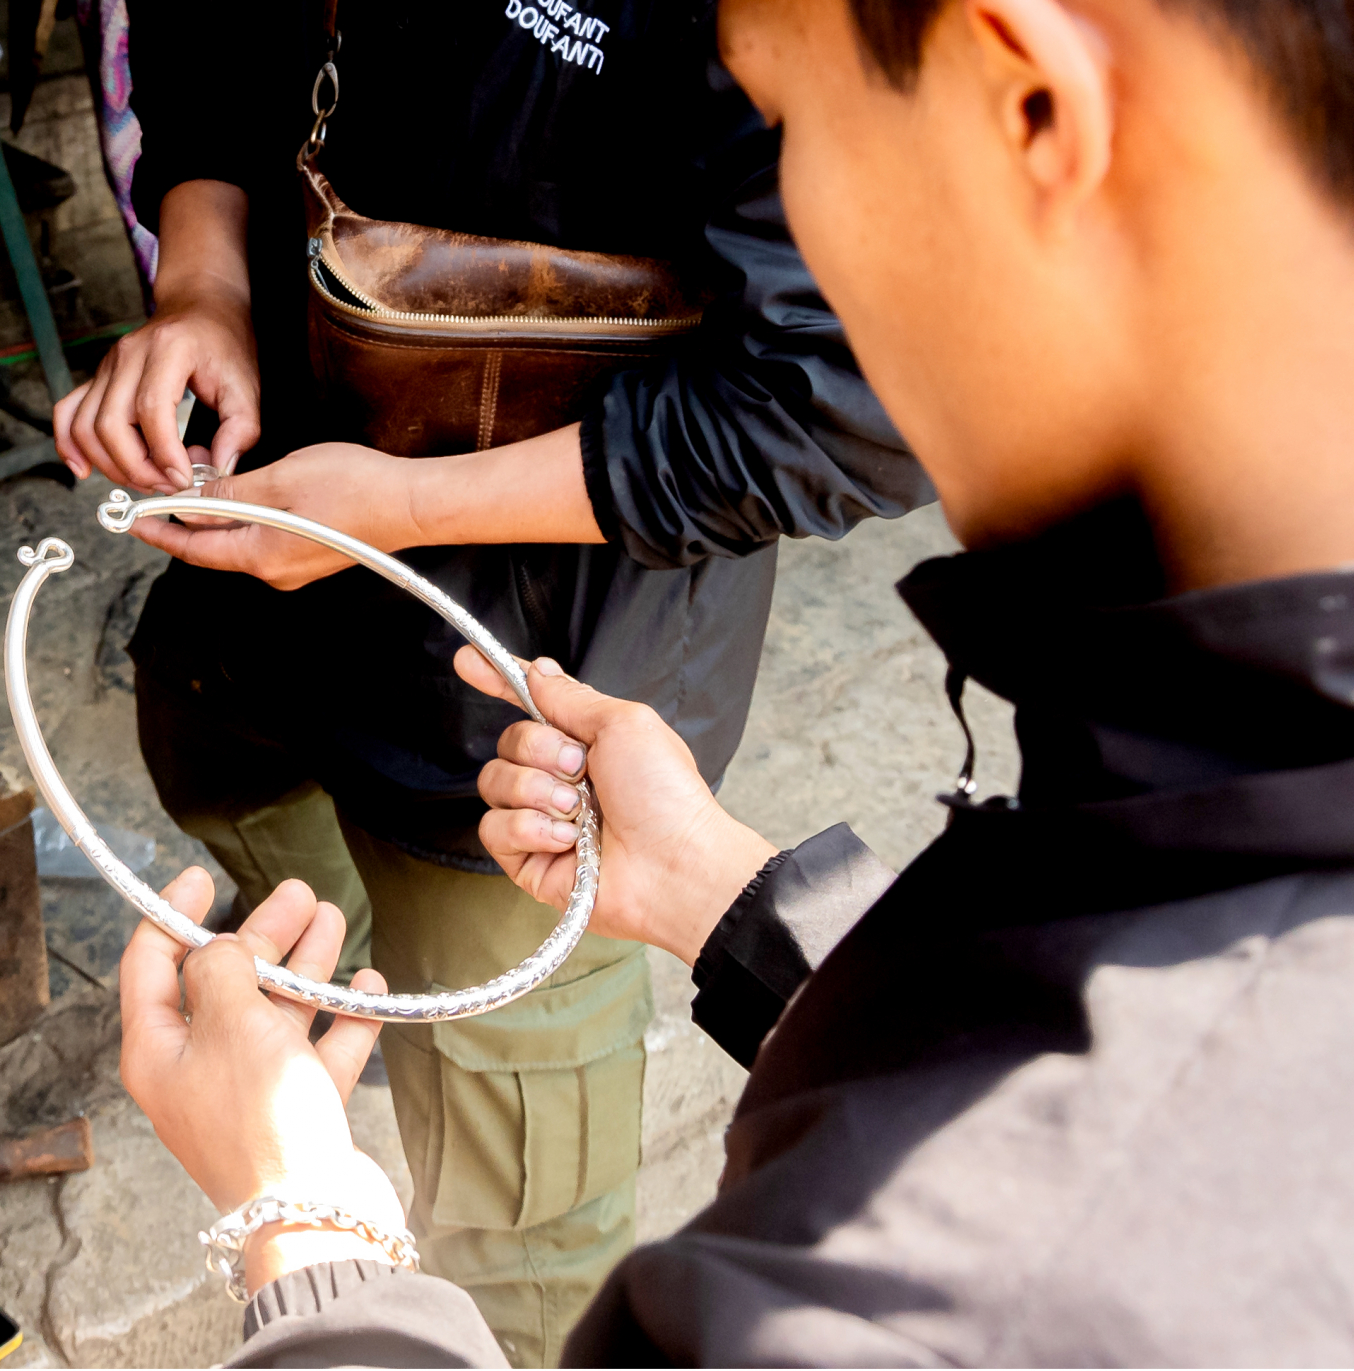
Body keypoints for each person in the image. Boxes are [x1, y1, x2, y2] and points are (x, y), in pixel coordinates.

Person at [112, 0, 1354, 1360]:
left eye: (799, 126)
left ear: (1033, 105)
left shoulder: (919, 1291)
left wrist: (301, 1233)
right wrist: (744, 905)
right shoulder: (1229, 817)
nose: (787, 228)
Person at [54, 7, 929, 1357]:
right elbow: (210, 39)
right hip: (263, 551)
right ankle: (348, 1000)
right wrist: (205, 287)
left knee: (517, 1232)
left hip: (529, 684)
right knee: (220, 766)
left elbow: (840, 410)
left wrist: (399, 509)